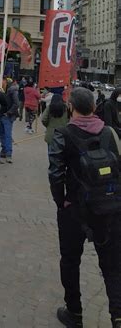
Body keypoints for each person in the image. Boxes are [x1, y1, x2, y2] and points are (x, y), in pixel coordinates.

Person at [48, 87, 121, 328]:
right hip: (109, 206)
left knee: (70, 260)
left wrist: (61, 201)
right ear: (94, 107)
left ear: (71, 108)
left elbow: (56, 173)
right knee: (112, 265)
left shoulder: (63, 133)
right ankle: (117, 317)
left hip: (75, 209)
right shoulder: (110, 132)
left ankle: (74, 312)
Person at [0, 78, 20, 163]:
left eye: (1, 80)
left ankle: (8, 154)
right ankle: (4, 149)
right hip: (1, 115)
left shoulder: (12, 91)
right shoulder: (1, 90)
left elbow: (16, 103)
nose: (0, 82)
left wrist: (9, 112)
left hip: (8, 116)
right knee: (1, 134)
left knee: (7, 135)